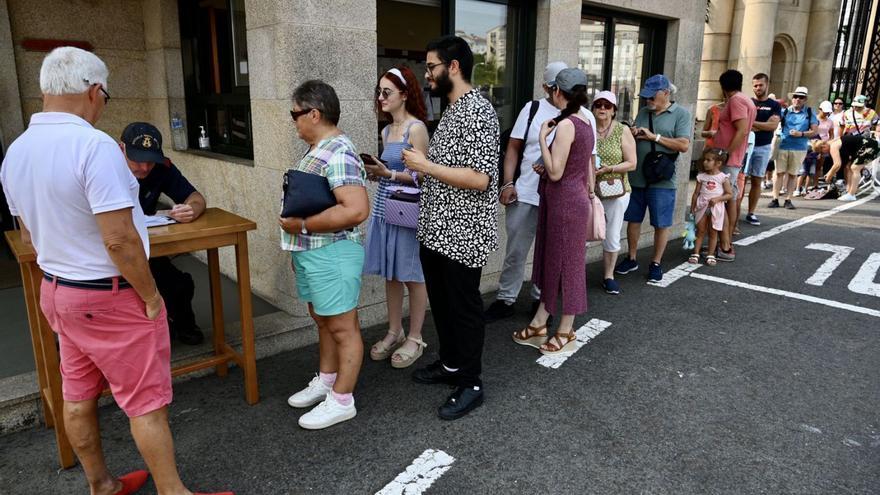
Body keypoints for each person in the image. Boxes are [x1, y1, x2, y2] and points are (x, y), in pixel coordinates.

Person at [0, 47, 231, 495]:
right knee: (145, 403)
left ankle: (101, 483)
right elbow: (120, 239)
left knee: (78, 395)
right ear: (92, 91)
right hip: (110, 293)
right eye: (105, 93)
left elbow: (28, 237)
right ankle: (173, 492)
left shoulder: (17, 152)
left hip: (57, 290)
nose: (104, 102)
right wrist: (149, 296)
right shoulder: (94, 145)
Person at [402, 35, 499, 420]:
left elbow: (479, 179)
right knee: (442, 304)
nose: (427, 75)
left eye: (431, 67)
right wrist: (406, 171)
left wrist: (425, 165)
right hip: (437, 229)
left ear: (453, 67)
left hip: (462, 233)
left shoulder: (477, 110)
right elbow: (446, 175)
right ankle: (451, 365)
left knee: (463, 307)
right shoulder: (454, 109)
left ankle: (471, 382)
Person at [280, 80, 370, 430]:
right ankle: (328, 380)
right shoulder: (322, 148)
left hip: (332, 253)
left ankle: (342, 399)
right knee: (324, 320)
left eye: (295, 114)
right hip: (317, 253)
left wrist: (301, 226)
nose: (294, 121)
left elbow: (356, 209)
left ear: (313, 113)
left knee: (342, 327)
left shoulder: (339, 151)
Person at [484, 61, 597, 321]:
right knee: (516, 251)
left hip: (561, 198)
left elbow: (589, 160)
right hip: (526, 192)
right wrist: (508, 182)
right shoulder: (533, 108)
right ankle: (506, 298)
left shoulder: (583, 117)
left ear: (559, 88)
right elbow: (513, 147)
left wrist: (591, 192)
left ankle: (541, 300)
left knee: (551, 253)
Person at [511, 68, 594, 355]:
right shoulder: (585, 121)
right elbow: (574, 166)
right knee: (552, 262)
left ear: (557, 91)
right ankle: (539, 324)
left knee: (566, 267)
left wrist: (545, 143)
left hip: (564, 203)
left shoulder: (567, 124)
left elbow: (556, 172)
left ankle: (566, 331)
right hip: (568, 201)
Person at [362, 66, 430, 369]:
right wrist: (378, 173)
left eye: (386, 92)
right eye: (378, 92)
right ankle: (394, 331)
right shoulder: (387, 130)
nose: (380, 98)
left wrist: (387, 172)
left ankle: (415, 336)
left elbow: (424, 176)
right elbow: (393, 174)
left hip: (407, 211)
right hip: (384, 208)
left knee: (413, 276)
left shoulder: (417, 129)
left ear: (404, 94)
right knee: (391, 274)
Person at [119, 122, 207, 345]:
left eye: (150, 160)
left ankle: (183, 325)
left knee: (179, 284)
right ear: (122, 149)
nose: (144, 167)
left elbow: (196, 198)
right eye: (137, 159)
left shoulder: (162, 168)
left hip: (148, 247)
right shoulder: (104, 169)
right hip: (113, 252)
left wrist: (191, 210)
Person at [615, 74, 692, 283]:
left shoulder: (681, 114)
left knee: (661, 223)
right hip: (636, 177)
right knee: (633, 219)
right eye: (646, 96)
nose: (647, 100)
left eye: (651, 96)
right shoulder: (643, 112)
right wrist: (634, 133)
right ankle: (631, 258)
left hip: (662, 179)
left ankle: (656, 263)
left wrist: (654, 137)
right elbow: (636, 136)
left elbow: (684, 145)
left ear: (665, 93)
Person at [591, 90, 636, 295]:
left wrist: (609, 168)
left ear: (614, 110)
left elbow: (632, 163)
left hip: (615, 190)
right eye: (598, 104)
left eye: (606, 106)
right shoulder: (587, 128)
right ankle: (572, 274)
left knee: (612, 233)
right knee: (582, 232)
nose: (602, 108)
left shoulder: (622, 130)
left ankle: (609, 275)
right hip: (589, 189)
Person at [710, 69, 755, 262]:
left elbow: (742, 129)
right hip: (734, 157)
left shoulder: (736, 101)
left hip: (729, 158)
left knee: (726, 199)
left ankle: (726, 245)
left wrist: (726, 152)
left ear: (723, 86)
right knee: (730, 197)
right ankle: (724, 243)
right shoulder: (747, 100)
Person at [769, 86, 818, 209]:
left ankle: (788, 199)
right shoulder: (785, 111)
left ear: (805, 99)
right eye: (795, 96)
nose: (797, 99)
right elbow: (773, 121)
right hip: (783, 145)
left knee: (792, 174)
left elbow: (814, 131)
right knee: (779, 172)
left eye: (801, 97)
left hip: (799, 147)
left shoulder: (810, 113)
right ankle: (775, 198)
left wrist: (801, 134)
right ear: (792, 98)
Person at [743, 73, 781, 226]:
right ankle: (734, 212)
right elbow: (743, 125)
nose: (758, 88)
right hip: (745, 147)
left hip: (763, 147)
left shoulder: (774, 105)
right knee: (741, 180)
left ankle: (751, 213)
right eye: (755, 85)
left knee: (757, 180)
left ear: (767, 85)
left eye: (760, 85)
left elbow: (773, 126)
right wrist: (761, 124)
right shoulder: (748, 102)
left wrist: (753, 124)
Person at [689, 148, 732, 267]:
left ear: (718, 163)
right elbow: (696, 193)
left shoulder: (723, 178)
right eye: (704, 160)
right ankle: (696, 253)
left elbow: (729, 194)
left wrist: (717, 199)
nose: (705, 162)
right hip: (702, 206)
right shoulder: (701, 177)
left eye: (709, 160)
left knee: (713, 232)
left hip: (716, 207)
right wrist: (692, 207)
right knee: (700, 230)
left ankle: (711, 254)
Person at [824, 132, 880, 201]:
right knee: (849, 167)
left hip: (870, 146)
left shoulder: (833, 146)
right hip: (866, 146)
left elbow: (837, 164)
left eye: (822, 152)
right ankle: (849, 191)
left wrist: (829, 175)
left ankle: (851, 194)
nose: (824, 154)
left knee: (855, 168)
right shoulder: (835, 141)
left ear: (824, 147)